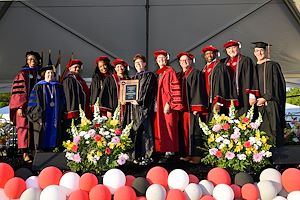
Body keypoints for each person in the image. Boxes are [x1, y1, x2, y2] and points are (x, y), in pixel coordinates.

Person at [123, 54, 157, 165]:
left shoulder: (150, 75)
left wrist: (139, 101)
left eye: (140, 62)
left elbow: (148, 90)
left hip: (145, 108)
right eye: (136, 63)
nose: (138, 65)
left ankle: (147, 155)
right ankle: (135, 156)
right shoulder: (133, 78)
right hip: (134, 109)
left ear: (145, 63)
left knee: (146, 131)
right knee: (135, 131)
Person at [9, 51, 41, 162]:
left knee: (35, 129)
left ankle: (34, 152)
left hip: (36, 108)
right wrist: (19, 107)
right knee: (24, 129)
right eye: (29, 59)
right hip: (24, 107)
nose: (32, 61)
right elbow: (18, 92)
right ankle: (25, 153)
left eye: (34, 59)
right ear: (26, 61)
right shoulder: (22, 74)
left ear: (38, 61)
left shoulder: (40, 74)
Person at [252, 41, 286, 146]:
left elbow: (278, 85)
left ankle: (277, 159)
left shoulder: (273, 65)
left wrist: (266, 98)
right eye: (257, 51)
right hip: (257, 105)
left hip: (270, 104)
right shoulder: (253, 67)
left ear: (266, 52)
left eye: (262, 50)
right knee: (258, 133)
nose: (259, 53)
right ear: (254, 52)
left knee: (272, 131)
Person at [176, 52, 207, 164]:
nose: (184, 62)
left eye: (186, 60)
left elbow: (199, 90)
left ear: (191, 61)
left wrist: (196, 107)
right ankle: (187, 154)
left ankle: (196, 155)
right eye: (182, 60)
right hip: (182, 110)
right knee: (184, 132)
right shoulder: (179, 75)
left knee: (195, 130)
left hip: (192, 109)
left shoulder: (196, 73)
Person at [153, 50, 183, 163]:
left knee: (169, 126)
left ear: (166, 60)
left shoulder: (170, 71)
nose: (161, 60)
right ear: (156, 61)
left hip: (166, 103)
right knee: (162, 126)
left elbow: (174, 87)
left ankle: (170, 151)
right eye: (159, 58)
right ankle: (164, 150)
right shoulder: (159, 72)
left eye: (163, 58)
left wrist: (169, 103)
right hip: (160, 103)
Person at [27, 65, 65, 151]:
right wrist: (38, 115)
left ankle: (54, 148)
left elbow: (63, 101)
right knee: (42, 136)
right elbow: (33, 102)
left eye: (52, 73)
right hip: (43, 117)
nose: (50, 74)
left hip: (55, 117)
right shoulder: (38, 86)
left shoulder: (58, 86)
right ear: (44, 74)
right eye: (48, 73)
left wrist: (61, 112)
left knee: (55, 137)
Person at [222, 40, 260, 116]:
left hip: (243, 96)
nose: (231, 50)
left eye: (233, 47)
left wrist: (252, 95)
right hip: (228, 96)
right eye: (229, 48)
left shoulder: (245, 60)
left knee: (244, 117)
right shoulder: (223, 63)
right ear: (226, 50)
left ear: (238, 48)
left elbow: (251, 77)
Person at [201, 45, 235, 121]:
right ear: (204, 56)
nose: (209, 55)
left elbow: (221, 85)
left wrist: (218, 102)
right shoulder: (204, 69)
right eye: (207, 54)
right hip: (207, 102)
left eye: (211, 53)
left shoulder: (219, 66)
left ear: (215, 54)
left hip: (216, 102)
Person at [62, 59, 91, 124]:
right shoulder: (69, 80)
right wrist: (72, 112)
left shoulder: (80, 80)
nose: (77, 69)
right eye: (75, 67)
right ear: (69, 68)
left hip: (82, 111)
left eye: (79, 67)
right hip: (74, 113)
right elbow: (69, 97)